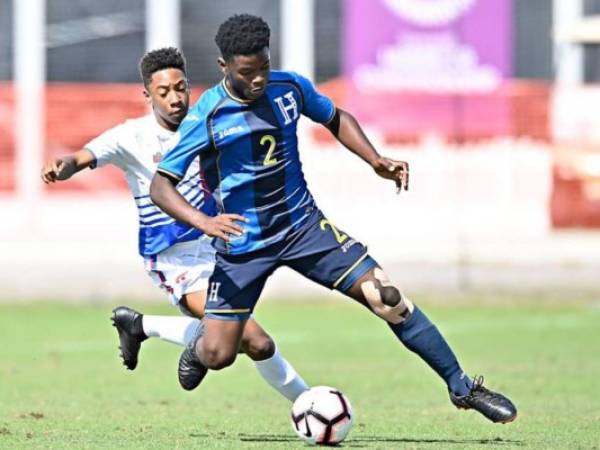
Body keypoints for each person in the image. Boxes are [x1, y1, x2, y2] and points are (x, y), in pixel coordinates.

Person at [150, 14, 518, 424]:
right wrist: (204, 222)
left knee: (387, 297)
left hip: (304, 228)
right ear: (225, 68)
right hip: (243, 246)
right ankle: (199, 344)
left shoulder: (288, 87)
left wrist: (375, 159)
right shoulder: (209, 116)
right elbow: (160, 185)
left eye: (263, 68)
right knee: (219, 355)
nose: (258, 80)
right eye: (246, 73)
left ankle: (463, 387)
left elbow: (335, 116)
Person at [40, 47, 309, 402]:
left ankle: (138, 326)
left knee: (246, 343)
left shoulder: (211, 121)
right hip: (174, 259)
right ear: (147, 95)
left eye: (180, 88)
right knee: (255, 341)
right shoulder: (131, 137)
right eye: (163, 92)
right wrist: (64, 165)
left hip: (222, 251)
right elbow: (82, 157)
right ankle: (310, 402)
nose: (174, 98)